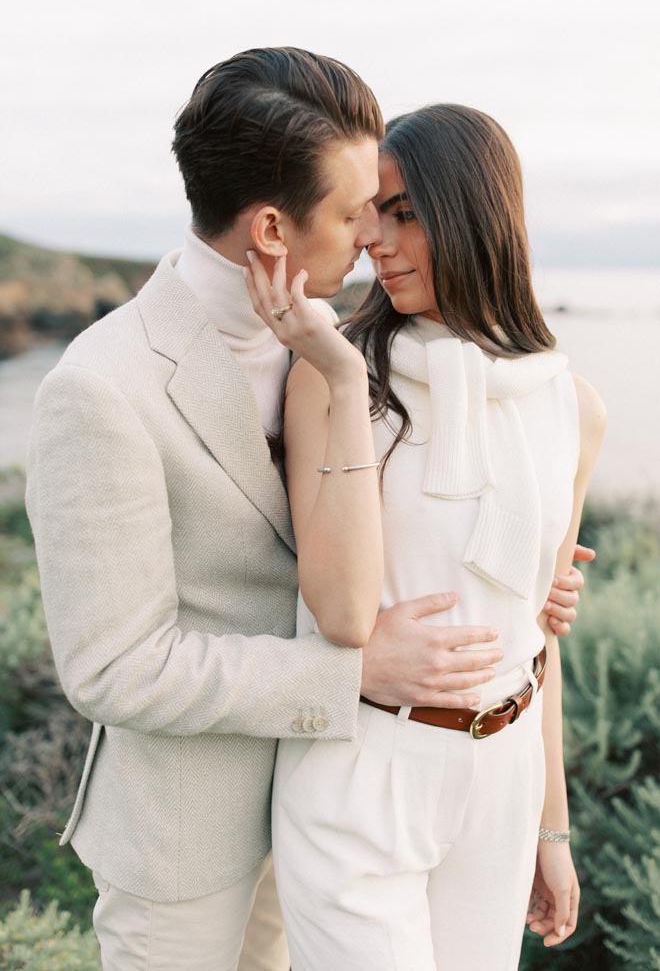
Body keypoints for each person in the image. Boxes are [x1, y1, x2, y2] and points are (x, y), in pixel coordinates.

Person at [25, 49, 586, 971]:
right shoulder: (100, 388)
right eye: (353, 210)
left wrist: (539, 575)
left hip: (344, 801)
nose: (372, 233)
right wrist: (349, 674)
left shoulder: (341, 341)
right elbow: (115, 668)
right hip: (191, 843)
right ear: (275, 229)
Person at [244, 103, 606, 970]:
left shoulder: (571, 407)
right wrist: (331, 366)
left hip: (504, 775)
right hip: (364, 770)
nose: (377, 240)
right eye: (373, 213)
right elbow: (337, 610)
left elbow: (539, 643)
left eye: (405, 213)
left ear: (477, 212)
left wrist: (550, 827)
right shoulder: (336, 378)